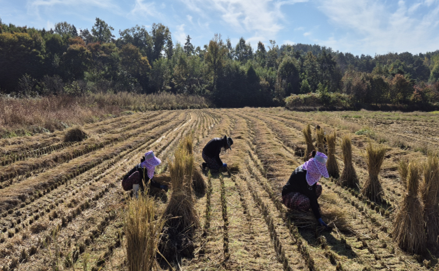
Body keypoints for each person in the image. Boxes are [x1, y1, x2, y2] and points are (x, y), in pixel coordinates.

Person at [282, 150, 331, 229]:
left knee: (318, 188)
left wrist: (316, 207)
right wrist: (319, 218)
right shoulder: (302, 174)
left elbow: (312, 191)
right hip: (289, 195)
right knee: (306, 201)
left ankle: (307, 208)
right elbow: (311, 196)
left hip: (301, 191)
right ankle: (299, 215)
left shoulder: (310, 171)